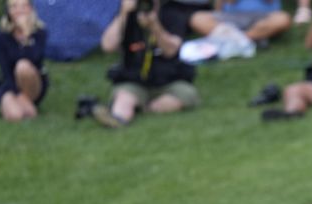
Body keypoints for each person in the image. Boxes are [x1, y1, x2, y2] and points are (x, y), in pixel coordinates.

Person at [93, 0, 200, 128]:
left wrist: (154, 26)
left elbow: (171, 50)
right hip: (133, 79)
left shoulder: (171, 13)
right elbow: (108, 46)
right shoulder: (126, 16)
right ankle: (117, 120)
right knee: (124, 99)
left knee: (187, 95)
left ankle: (145, 109)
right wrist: (124, 13)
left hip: (169, 79)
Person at [0, 0, 48, 122]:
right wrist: (15, 94)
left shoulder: (40, 33)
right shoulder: (1, 37)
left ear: (31, 9)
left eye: (24, 6)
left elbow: (34, 58)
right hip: (9, 83)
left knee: (22, 65)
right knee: (15, 116)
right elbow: (5, 70)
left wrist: (26, 34)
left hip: (34, 82)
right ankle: (20, 103)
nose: (20, 10)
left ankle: (26, 101)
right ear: (8, 11)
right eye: (14, 7)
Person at [189, 0, 291, 48]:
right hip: (231, 17)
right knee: (197, 18)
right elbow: (220, 8)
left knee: (283, 19)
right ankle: (250, 40)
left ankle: (236, 40)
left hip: (263, 17)